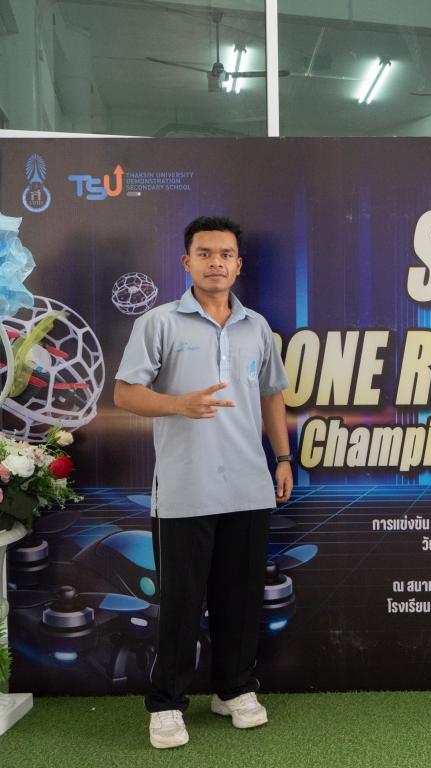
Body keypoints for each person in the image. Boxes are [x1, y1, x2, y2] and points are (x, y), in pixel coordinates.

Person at [113, 216, 293, 749]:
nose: (217, 262)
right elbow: (124, 393)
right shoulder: (158, 322)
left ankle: (234, 689)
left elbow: (272, 394)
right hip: (184, 489)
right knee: (181, 603)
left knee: (241, 599)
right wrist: (178, 404)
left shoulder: (256, 326)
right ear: (186, 261)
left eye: (226, 254)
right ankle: (167, 703)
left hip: (249, 485)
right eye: (206, 253)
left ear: (238, 264)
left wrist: (283, 457)